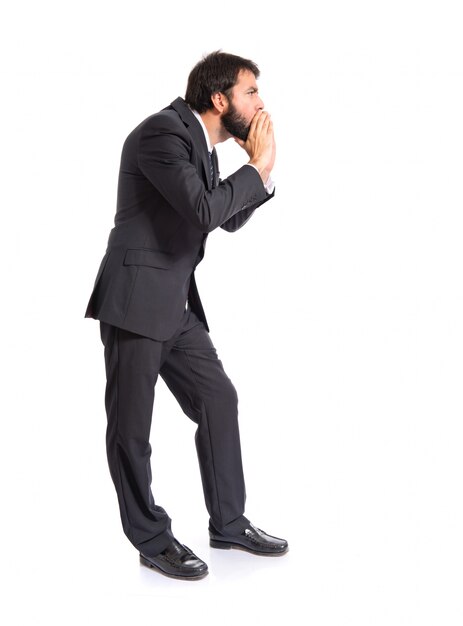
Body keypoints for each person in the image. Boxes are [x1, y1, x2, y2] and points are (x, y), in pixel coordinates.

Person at [85, 51, 287, 580]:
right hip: (134, 302)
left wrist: (261, 173)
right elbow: (203, 210)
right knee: (131, 429)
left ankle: (228, 522)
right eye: (250, 92)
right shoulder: (162, 134)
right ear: (219, 99)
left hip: (175, 305)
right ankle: (150, 538)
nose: (260, 103)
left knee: (218, 398)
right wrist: (258, 166)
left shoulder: (200, 145)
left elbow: (225, 219)